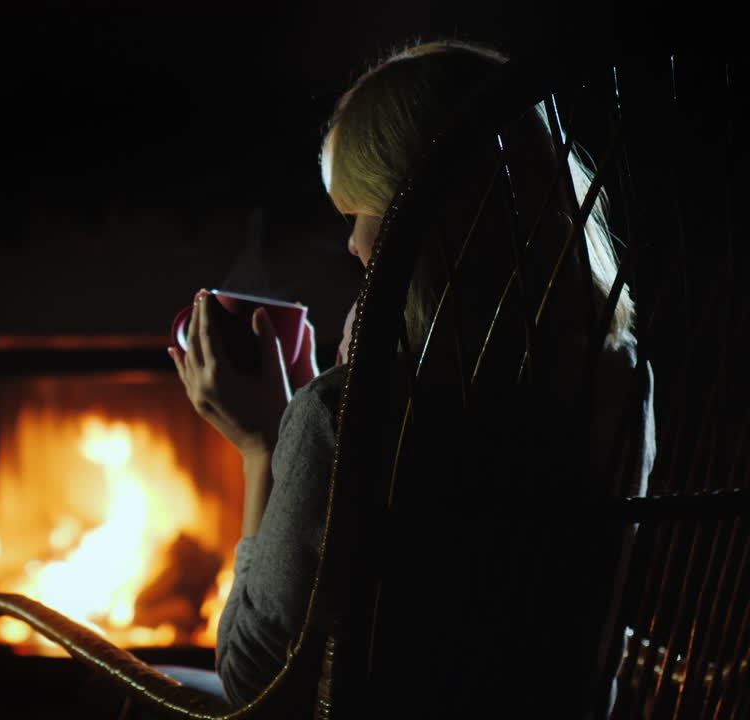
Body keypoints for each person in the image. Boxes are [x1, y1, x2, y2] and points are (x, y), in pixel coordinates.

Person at [166, 40, 654, 716]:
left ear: (419, 220)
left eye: (360, 216)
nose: (352, 245)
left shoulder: (344, 415)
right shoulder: (621, 383)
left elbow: (256, 680)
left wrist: (267, 448)